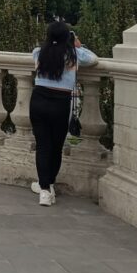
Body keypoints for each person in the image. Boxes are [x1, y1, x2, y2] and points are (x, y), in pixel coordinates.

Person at [30, 22, 97, 207]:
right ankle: (49, 184)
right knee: (56, 146)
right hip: (60, 102)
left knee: (43, 146)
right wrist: (78, 45)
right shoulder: (74, 54)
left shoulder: (38, 52)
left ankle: (44, 190)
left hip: (38, 100)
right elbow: (93, 59)